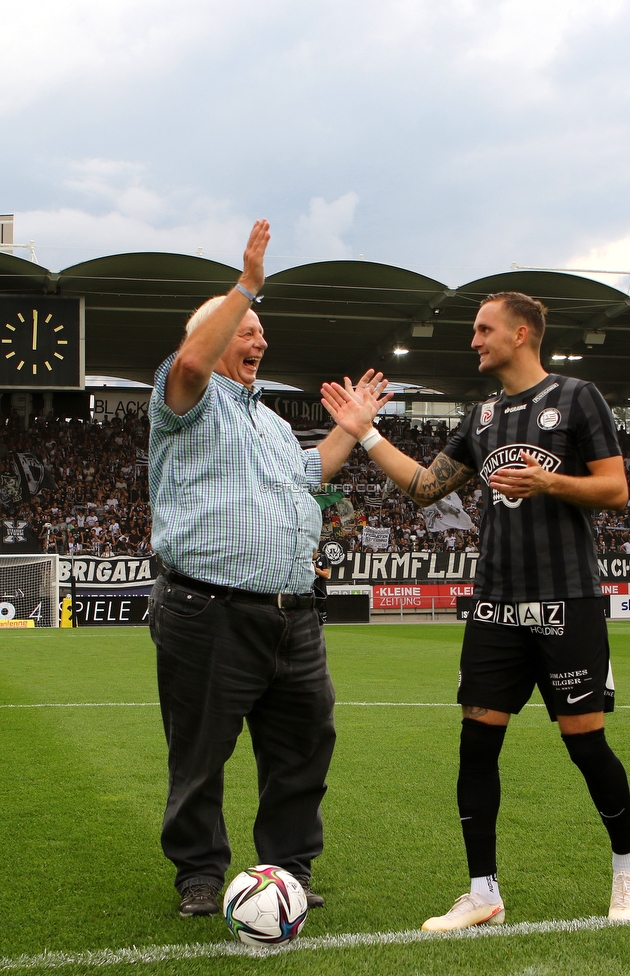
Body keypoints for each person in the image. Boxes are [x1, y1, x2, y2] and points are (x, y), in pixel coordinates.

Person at [321, 291, 630, 930]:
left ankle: (628, 870)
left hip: (566, 600)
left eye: (483, 329)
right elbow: (423, 487)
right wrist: (365, 432)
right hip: (495, 604)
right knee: (477, 746)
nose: (474, 340)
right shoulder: (483, 414)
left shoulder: (578, 398)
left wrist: (549, 481)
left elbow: (617, 490)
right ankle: (482, 894)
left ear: (521, 333)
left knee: (585, 746)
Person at [147, 219, 389, 917]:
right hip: (207, 611)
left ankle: (288, 867)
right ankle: (199, 872)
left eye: (258, 330)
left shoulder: (273, 422)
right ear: (215, 335)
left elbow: (312, 475)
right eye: (246, 330)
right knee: (199, 755)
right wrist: (246, 284)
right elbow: (192, 364)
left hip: (294, 616)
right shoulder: (184, 401)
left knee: (305, 745)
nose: (259, 340)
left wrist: (353, 427)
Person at [312, 549, 331, 623]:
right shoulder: (305, 558)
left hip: (320, 591)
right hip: (308, 592)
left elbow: (326, 575)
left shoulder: (323, 558)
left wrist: (315, 569)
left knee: (321, 619)